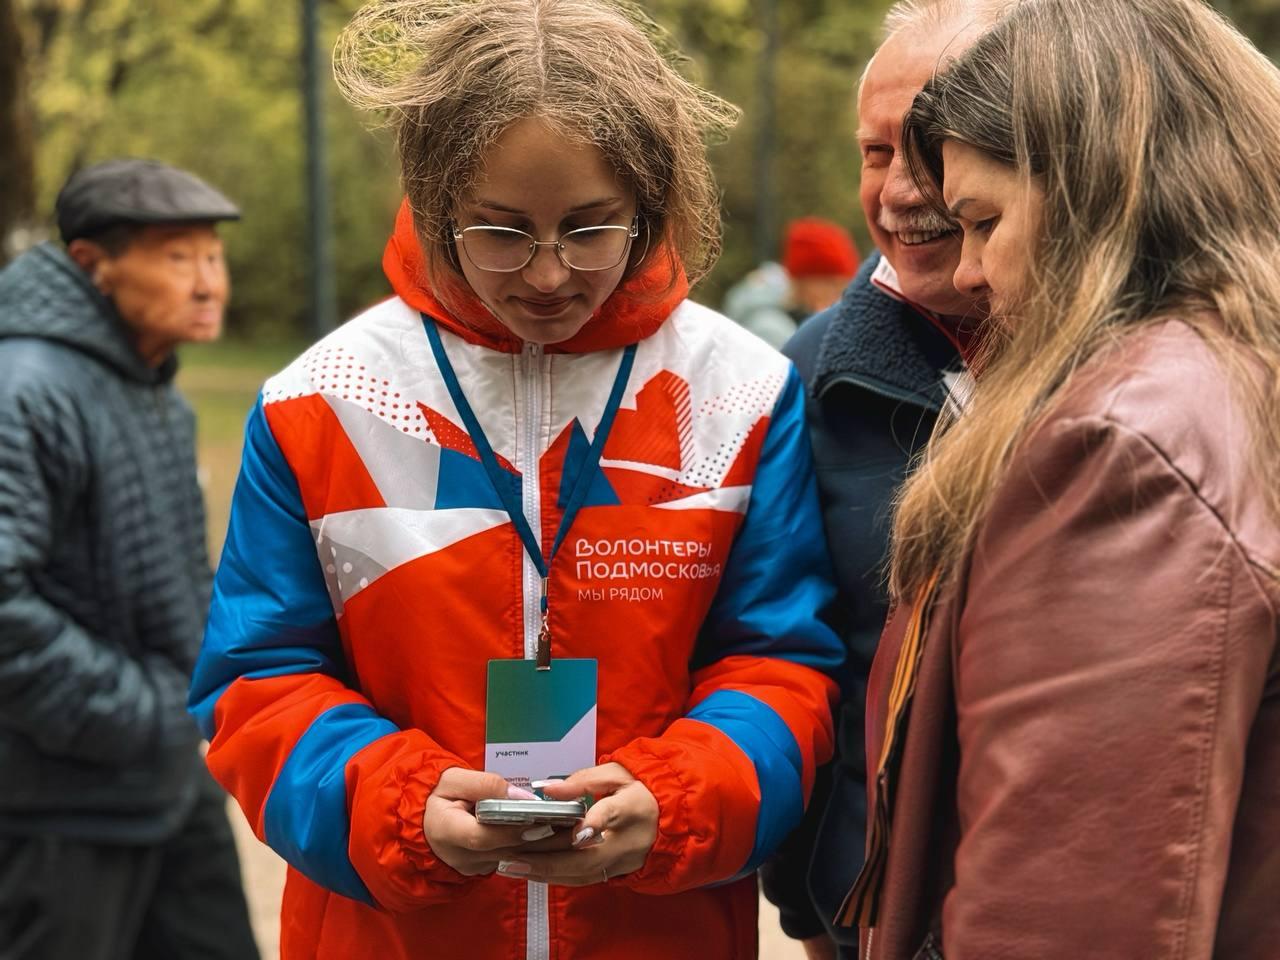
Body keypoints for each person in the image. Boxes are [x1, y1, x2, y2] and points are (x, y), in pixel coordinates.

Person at [187, 2, 843, 958]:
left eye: (589, 231)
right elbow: (260, 679)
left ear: (650, 207)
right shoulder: (321, 401)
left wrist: (679, 796)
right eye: (499, 231)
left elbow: (782, 663)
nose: (545, 275)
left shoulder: (739, 391)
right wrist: (398, 807)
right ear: (434, 199)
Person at [846, 0, 1280, 955]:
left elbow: (1069, 907)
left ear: (1095, 189)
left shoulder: (1121, 443)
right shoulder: (1234, 375)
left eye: (985, 221)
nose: (967, 273)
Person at [761, 3, 999, 957]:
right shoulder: (809, 376)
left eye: (936, 144)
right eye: (874, 152)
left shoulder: (1138, 357)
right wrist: (814, 909)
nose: (902, 189)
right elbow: (788, 652)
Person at [0, 158, 259, 959]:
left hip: (166, 787)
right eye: (177, 257)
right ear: (93, 264)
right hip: (61, 808)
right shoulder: (26, 388)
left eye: (212, 257)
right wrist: (140, 707)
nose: (208, 282)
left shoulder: (151, 387)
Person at [722, 217, 859, 349]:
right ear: (806, 280)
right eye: (832, 284)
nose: (839, 294)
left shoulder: (792, 315)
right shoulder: (770, 328)